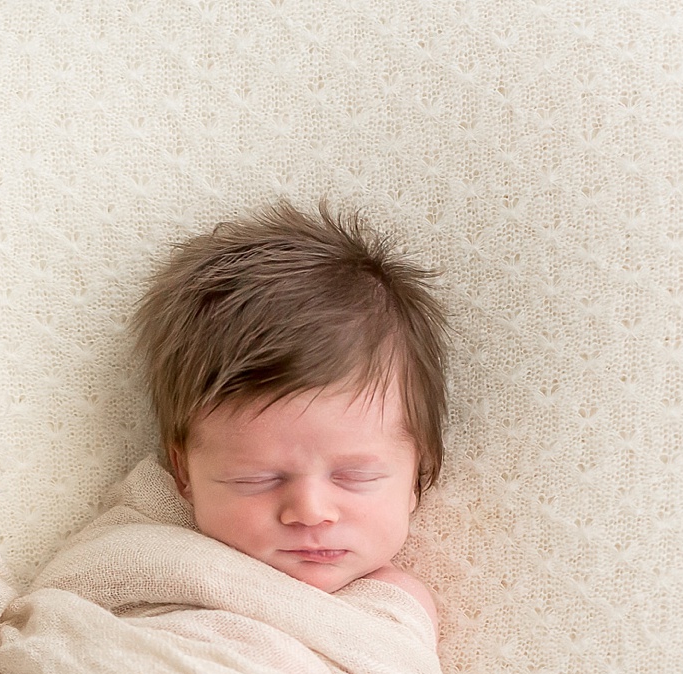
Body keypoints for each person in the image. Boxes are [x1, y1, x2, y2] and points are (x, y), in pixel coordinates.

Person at [131, 198, 447, 637]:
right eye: (255, 478)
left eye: (356, 476)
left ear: (419, 472)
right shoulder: (141, 552)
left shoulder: (394, 614)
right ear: (183, 473)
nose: (310, 512)